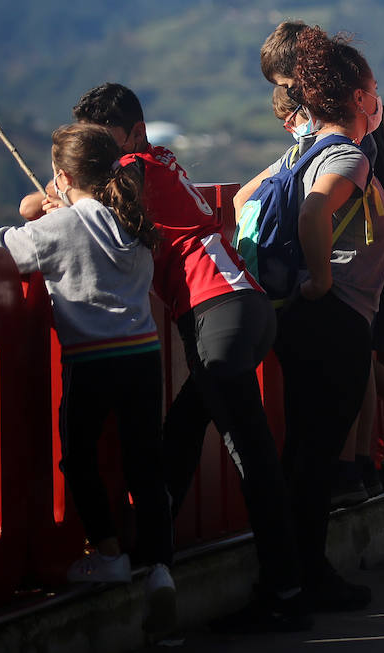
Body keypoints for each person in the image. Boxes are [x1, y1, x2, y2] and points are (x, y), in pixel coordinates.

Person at [65, 83, 309, 633]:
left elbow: (79, 211)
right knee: (180, 430)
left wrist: (48, 198)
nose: (99, 153)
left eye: (101, 141)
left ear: (132, 134)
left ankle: (287, 591)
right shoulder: (160, 162)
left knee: (252, 456)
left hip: (215, 311)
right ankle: (153, 558)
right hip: (246, 305)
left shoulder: (129, 167)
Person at [0, 124, 177, 634]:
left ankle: (108, 554)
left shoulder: (64, 228)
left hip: (93, 359)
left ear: (62, 176)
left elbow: (1, 248)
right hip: (143, 354)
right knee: (146, 464)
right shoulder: (133, 219)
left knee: (78, 458)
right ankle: (161, 570)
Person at [236, 28, 384, 610]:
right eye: (373, 88)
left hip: (300, 320)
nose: (378, 98)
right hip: (335, 317)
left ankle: (294, 574)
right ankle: (303, 578)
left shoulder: (297, 151)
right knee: (317, 454)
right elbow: (312, 212)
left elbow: (239, 203)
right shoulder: (347, 155)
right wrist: (324, 279)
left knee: (303, 448)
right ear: (355, 96)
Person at [259, 23, 384, 501]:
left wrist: (316, 275)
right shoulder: (378, 137)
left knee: (319, 419)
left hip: (337, 287)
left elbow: (254, 203)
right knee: (376, 363)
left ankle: (355, 471)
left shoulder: (322, 150)